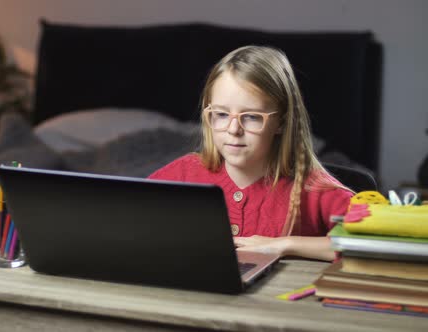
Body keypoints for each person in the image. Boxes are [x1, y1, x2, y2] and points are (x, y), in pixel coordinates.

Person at [148, 45, 353, 261]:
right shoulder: (182, 174)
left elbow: (376, 243)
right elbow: (128, 218)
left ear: (281, 122)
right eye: (221, 114)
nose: (233, 130)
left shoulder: (312, 187)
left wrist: (285, 244)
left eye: (252, 117)